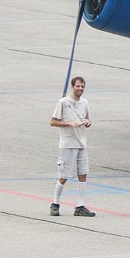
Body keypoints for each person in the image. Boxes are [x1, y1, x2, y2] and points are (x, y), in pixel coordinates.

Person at [49, 76, 95, 217]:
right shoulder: (63, 102)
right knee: (64, 175)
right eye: (78, 86)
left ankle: (80, 206)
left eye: (82, 87)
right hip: (68, 144)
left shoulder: (85, 103)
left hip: (81, 143)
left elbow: (88, 119)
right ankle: (55, 203)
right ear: (72, 87)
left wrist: (87, 122)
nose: (80, 89)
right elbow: (52, 122)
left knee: (83, 174)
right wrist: (69, 123)